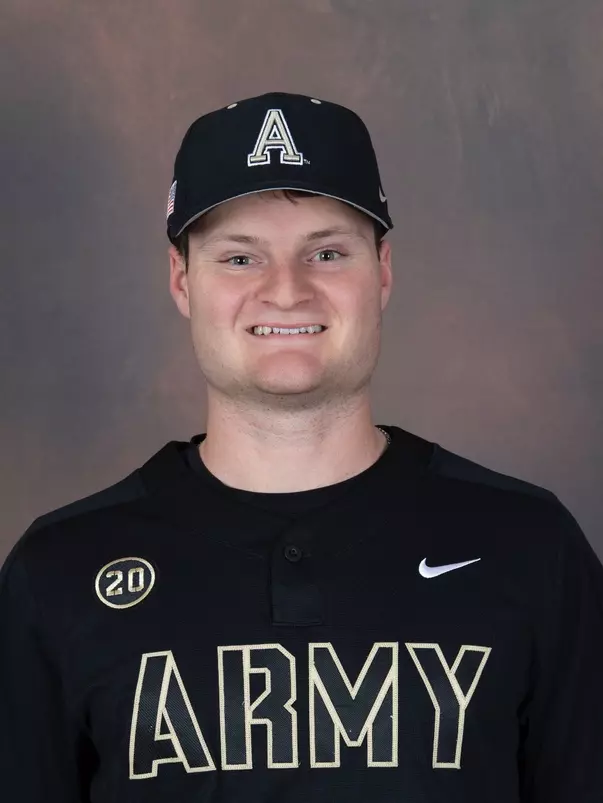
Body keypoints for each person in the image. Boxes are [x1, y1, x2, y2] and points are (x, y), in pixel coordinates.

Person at [1, 91, 601, 803]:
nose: (285, 291)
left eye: (325, 251)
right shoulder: (61, 567)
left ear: (380, 271)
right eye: (239, 257)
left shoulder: (528, 547)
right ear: (181, 279)